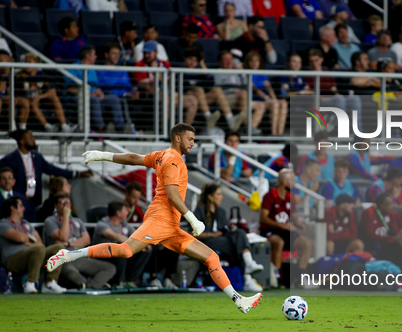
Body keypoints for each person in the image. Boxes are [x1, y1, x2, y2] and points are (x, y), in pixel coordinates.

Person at [47, 123, 263, 313]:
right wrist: (193, 218)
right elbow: (171, 194)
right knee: (126, 250)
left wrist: (103, 155)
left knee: (211, 258)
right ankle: (69, 254)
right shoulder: (173, 161)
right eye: (190, 139)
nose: (193, 143)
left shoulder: (162, 155)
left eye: (194, 140)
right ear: (177, 138)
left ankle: (238, 300)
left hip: (171, 226)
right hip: (160, 220)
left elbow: (134, 158)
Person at [0, 130, 92, 214]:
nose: (33, 140)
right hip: (19, 201)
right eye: (30, 138)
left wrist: (76, 173)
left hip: (35, 201)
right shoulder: (9, 160)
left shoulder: (37, 157)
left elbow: (53, 169)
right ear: (22, 141)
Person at [195, 184, 264, 292]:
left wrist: (230, 229)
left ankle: (249, 266)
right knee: (236, 245)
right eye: (218, 194)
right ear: (210, 197)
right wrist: (213, 234)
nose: (221, 197)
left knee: (239, 232)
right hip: (205, 241)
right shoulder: (200, 210)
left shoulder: (221, 211)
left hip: (222, 241)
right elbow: (192, 233)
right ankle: (247, 274)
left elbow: (224, 229)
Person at [44, 192, 116, 289]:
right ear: (56, 206)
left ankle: (90, 285)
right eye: (62, 203)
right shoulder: (50, 221)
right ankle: (91, 284)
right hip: (65, 259)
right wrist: (66, 217)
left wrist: (68, 243)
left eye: (67, 202)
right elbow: (63, 237)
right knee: (69, 270)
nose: (65, 206)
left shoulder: (77, 221)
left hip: (81, 256)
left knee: (110, 268)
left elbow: (86, 240)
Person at [0, 197, 66, 293]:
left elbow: (39, 241)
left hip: (34, 256)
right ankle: (30, 282)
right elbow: (19, 238)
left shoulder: (26, 224)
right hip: (13, 259)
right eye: (21, 206)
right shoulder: (3, 224)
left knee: (59, 248)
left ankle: (49, 282)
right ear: (12, 208)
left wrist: (26, 241)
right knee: (38, 249)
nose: (24, 208)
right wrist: (29, 240)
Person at [259, 169, 312, 284]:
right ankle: (277, 278)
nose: (294, 183)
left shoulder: (291, 197)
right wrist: (281, 225)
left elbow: (293, 216)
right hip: (270, 230)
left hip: (285, 231)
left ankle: (300, 277)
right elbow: (263, 218)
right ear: (284, 182)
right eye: (292, 180)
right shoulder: (269, 196)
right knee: (279, 243)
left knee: (306, 243)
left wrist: (298, 223)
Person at [88, 200, 151, 287]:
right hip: (103, 256)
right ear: (118, 213)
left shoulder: (124, 224)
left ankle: (130, 279)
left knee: (145, 251)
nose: (128, 212)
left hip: (119, 255)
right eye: (125, 210)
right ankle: (118, 282)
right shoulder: (102, 224)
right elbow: (115, 237)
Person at [66, 45, 126, 133]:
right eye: (94, 54)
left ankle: (121, 128)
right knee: (94, 99)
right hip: (78, 98)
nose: (96, 57)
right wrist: (89, 94)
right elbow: (70, 89)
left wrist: (100, 92)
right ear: (87, 56)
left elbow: (96, 86)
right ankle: (101, 128)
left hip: (94, 97)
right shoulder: (73, 68)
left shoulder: (92, 69)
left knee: (114, 99)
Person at [15, 53, 76, 132]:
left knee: (54, 98)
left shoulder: (42, 75)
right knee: (33, 102)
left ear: (37, 64)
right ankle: (48, 127)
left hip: (39, 99)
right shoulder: (20, 75)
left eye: (29, 62)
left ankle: (64, 126)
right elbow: (15, 89)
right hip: (25, 99)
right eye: (26, 62)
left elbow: (53, 91)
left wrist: (40, 96)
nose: (27, 65)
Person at [183, 48, 239, 131]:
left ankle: (231, 120)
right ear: (185, 58)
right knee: (198, 90)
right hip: (186, 98)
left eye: (195, 60)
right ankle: (208, 117)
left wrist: (202, 64)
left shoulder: (198, 72)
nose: (192, 62)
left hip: (201, 100)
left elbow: (211, 82)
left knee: (217, 89)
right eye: (190, 59)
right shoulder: (178, 71)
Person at [213, 50, 258, 131]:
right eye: (226, 59)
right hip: (224, 98)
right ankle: (245, 126)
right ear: (220, 61)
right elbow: (218, 88)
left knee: (245, 94)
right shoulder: (217, 72)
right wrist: (233, 90)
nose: (229, 62)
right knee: (244, 95)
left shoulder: (236, 71)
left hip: (239, 98)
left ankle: (247, 127)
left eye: (231, 59)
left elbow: (248, 85)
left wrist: (243, 73)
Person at [360, 192, 402, 266]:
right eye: (390, 204)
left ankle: (398, 272)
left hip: (385, 240)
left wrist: (399, 238)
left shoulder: (391, 213)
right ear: (381, 205)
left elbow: (395, 230)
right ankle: (375, 270)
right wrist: (392, 238)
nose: (392, 206)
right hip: (370, 241)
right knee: (376, 244)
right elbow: (371, 234)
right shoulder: (369, 212)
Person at [244, 52, 287, 135]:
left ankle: (280, 133)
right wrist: (268, 99)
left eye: (256, 61)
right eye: (251, 61)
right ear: (247, 62)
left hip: (265, 99)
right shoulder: (247, 74)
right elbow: (256, 89)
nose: (254, 63)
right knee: (275, 104)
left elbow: (269, 88)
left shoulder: (262, 74)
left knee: (283, 103)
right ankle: (273, 133)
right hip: (255, 100)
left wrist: (274, 98)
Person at [97, 43, 136, 130]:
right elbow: (105, 87)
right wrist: (123, 94)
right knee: (120, 101)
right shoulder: (99, 70)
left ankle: (136, 129)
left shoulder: (122, 69)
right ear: (106, 54)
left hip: (124, 97)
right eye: (114, 53)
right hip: (109, 97)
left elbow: (128, 85)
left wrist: (132, 92)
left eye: (118, 54)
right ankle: (123, 129)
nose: (117, 56)